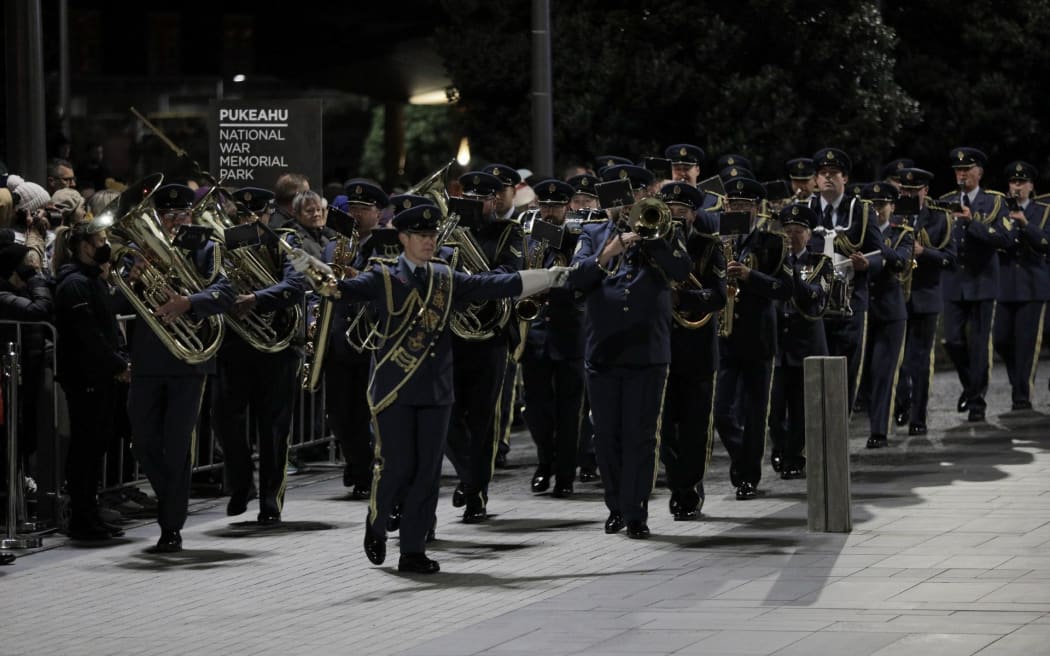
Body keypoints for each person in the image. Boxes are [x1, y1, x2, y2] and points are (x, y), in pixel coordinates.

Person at [297, 203, 567, 574]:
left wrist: (551, 276)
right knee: (395, 468)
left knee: (427, 472)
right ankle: (376, 525)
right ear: (404, 239)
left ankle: (412, 550)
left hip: (436, 392)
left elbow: (496, 284)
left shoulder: (446, 277)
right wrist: (312, 270)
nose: (429, 241)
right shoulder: (384, 276)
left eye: (432, 235)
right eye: (421, 236)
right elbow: (341, 291)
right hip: (395, 388)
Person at [568, 163, 691, 538]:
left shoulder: (665, 229)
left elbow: (681, 269)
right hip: (603, 350)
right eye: (618, 196)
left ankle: (636, 510)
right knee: (605, 434)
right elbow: (575, 278)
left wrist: (652, 237)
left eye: (634, 194)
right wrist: (607, 253)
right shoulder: (591, 233)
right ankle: (615, 506)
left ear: (644, 195)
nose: (626, 203)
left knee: (641, 435)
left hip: (647, 352)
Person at [124, 183, 235, 552]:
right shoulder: (139, 254)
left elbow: (226, 293)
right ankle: (170, 498)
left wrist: (189, 302)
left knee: (176, 444)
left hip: (190, 359)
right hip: (148, 359)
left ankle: (171, 524)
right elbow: (113, 302)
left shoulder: (207, 249)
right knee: (142, 442)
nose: (174, 223)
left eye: (181, 216)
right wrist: (135, 280)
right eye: (168, 216)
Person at [212, 186, 307, 523]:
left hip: (277, 346)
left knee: (274, 428)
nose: (250, 220)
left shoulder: (286, 242)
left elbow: (296, 285)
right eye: (243, 215)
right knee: (225, 419)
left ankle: (271, 499)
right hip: (236, 346)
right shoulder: (224, 243)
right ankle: (241, 484)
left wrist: (256, 298)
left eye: (257, 214)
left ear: (269, 214)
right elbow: (210, 281)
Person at [444, 171, 524, 523]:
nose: (479, 205)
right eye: (471, 198)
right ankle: (470, 475)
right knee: (447, 414)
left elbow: (510, 271)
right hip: (453, 335)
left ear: (495, 201)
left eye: (484, 199)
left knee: (481, 419)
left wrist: (473, 279)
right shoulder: (449, 232)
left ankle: (477, 493)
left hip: (490, 335)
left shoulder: (509, 231)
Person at [713, 177, 794, 499]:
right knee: (721, 413)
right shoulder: (718, 239)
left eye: (743, 205)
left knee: (755, 413)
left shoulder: (772, 241)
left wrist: (750, 276)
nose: (735, 209)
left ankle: (749, 477)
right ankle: (742, 458)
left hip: (759, 336)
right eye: (731, 203)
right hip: (726, 337)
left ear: (756, 208)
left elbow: (785, 288)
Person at [52, 220, 128, 541]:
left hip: (101, 374)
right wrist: (116, 364)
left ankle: (91, 513)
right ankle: (82, 519)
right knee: (85, 448)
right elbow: (88, 335)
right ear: (85, 246)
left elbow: (106, 320)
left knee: (97, 446)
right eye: (101, 240)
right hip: (86, 376)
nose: (105, 245)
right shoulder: (74, 285)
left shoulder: (92, 279)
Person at [659, 182, 726, 519]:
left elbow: (718, 296)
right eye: (669, 208)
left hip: (698, 349)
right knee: (665, 427)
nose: (674, 215)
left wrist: (681, 298)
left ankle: (691, 488)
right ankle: (677, 483)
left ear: (693, 214)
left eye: (681, 210)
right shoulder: (652, 246)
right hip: (661, 350)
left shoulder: (708, 246)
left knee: (696, 427)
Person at [520, 179, 585, 498]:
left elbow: (582, 276)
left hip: (568, 330)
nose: (549, 212)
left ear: (567, 207)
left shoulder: (577, 237)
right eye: (544, 206)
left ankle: (564, 475)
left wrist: (553, 283)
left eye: (555, 207)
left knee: (569, 411)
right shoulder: (529, 238)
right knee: (535, 408)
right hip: (535, 335)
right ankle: (545, 461)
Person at [808, 147, 885, 409]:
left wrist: (866, 263)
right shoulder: (804, 210)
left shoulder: (861, 210)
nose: (828, 178)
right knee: (815, 364)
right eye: (823, 173)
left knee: (847, 365)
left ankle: (841, 423)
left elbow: (880, 252)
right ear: (816, 180)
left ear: (845, 178)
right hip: (813, 302)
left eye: (834, 173)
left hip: (851, 299)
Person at [939, 147, 1012, 421]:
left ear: (978, 172)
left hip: (982, 280)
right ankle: (971, 387)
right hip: (954, 282)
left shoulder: (993, 202)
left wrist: (972, 222)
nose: (961, 175)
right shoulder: (946, 201)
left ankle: (977, 403)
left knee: (981, 343)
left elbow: (1004, 238)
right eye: (958, 171)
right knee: (952, 339)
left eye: (966, 170)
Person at [326, 179, 388, 499]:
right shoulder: (333, 244)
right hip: (337, 337)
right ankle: (356, 462)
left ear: (378, 213)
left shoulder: (385, 245)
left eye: (364, 209)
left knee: (367, 412)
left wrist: (358, 280)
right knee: (338, 412)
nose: (357, 214)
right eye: (352, 208)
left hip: (371, 339)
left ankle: (366, 471)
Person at [768, 205, 831, 478]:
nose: (792, 237)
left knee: (801, 409)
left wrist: (790, 271)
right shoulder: (773, 261)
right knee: (774, 408)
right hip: (777, 347)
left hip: (806, 346)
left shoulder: (821, 263)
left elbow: (815, 296)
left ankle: (795, 456)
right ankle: (780, 448)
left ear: (808, 235)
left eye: (797, 232)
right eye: (788, 231)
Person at [893, 168, 955, 435]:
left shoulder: (939, 218)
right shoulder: (893, 215)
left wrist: (923, 252)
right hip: (897, 296)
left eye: (913, 190)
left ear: (925, 191)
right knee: (899, 360)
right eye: (904, 190)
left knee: (919, 360)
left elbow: (949, 258)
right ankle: (901, 403)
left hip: (926, 295)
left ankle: (918, 417)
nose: (908, 194)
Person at [858, 183, 913, 448]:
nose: (878, 210)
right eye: (872, 205)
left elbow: (900, 261)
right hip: (862, 308)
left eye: (882, 204)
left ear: (892, 206)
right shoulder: (856, 232)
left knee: (883, 372)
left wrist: (877, 246)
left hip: (890, 311)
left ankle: (879, 429)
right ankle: (898, 404)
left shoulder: (903, 234)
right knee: (864, 374)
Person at [993, 161, 1050, 410]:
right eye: (1014, 183)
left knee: (1027, 343)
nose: (1017, 187)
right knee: (1001, 340)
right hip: (1005, 284)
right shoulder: (1000, 210)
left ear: (1031, 185)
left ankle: (1021, 396)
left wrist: (1026, 224)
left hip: (1032, 285)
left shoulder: (1043, 210)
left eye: (1022, 182)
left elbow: (1046, 242)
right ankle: (1018, 382)